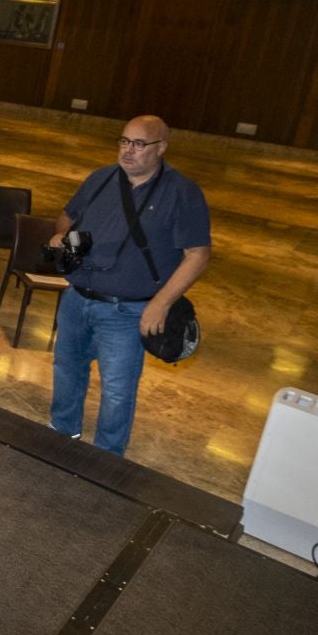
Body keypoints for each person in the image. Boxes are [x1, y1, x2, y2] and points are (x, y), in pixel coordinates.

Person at [49, 116, 212, 457]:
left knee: (118, 390)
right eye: (124, 142)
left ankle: (108, 457)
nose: (129, 151)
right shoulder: (100, 178)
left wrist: (161, 303)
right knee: (66, 370)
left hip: (127, 310)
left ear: (161, 147)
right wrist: (60, 235)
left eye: (139, 144)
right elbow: (68, 216)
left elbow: (197, 255)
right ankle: (62, 435)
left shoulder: (182, 193)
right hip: (77, 299)